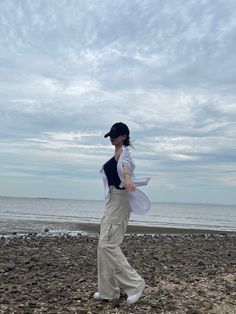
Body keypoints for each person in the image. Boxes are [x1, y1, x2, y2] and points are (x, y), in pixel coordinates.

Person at [94, 122, 151, 304]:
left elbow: (127, 167)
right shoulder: (115, 152)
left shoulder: (125, 154)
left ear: (124, 136)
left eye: (115, 135)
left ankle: (135, 284)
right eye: (110, 135)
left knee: (108, 244)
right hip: (112, 200)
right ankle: (108, 291)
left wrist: (127, 178)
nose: (112, 137)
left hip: (119, 201)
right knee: (103, 247)